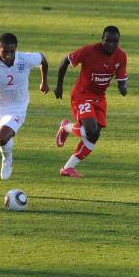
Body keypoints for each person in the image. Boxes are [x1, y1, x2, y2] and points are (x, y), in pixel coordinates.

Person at [0, 33, 49, 197]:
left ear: (16, 49)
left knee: (3, 138)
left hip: (17, 107)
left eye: (11, 51)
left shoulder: (25, 59)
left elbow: (43, 59)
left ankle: (7, 159)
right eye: (5, 51)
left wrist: (44, 81)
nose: (8, 55)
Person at [54, 26, 128, 178]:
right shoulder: (89, 51)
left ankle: (67, 168)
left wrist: (123, 87)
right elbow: (64, 61)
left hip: (99, 98)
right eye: (107, 41)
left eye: (115, 41)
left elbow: (121, 78)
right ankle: (65, 127)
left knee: (94, 136)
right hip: (82, 95)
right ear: (102, 39)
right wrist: (59, 85)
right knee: (90, 130)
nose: (111, 45)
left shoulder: (121, 56)